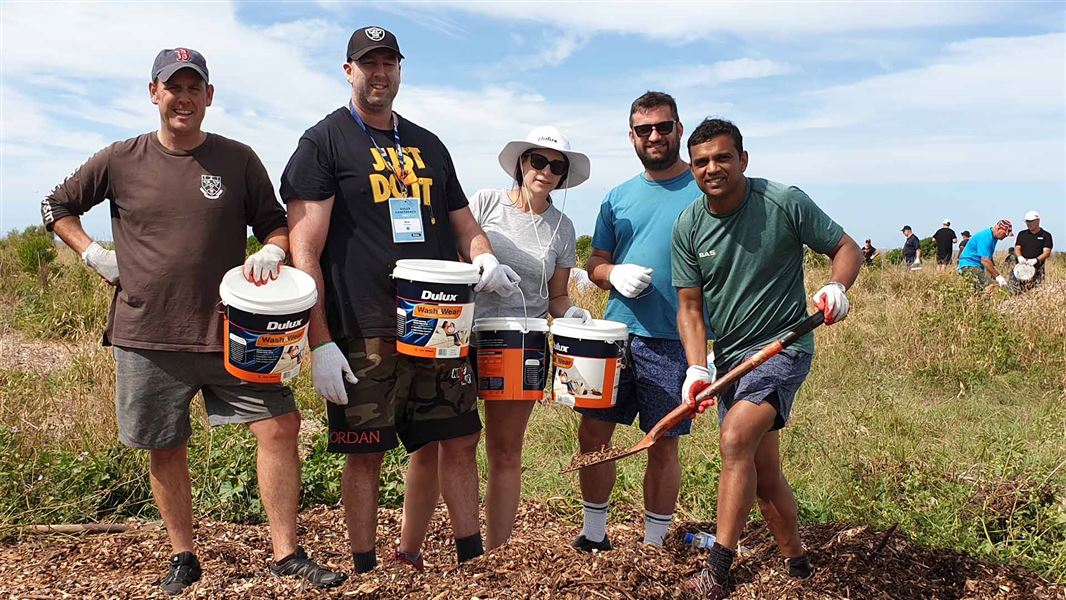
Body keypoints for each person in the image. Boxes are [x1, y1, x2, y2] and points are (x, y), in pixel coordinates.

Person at [40, 48, 345, 594]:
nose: (183, 98)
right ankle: (184, 554)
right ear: (153, 93)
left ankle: (286, 552)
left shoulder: (238, 159)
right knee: (165, 442)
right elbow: (55, 205)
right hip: (147, 331)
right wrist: (90, 252)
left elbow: (276, 224)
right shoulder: (120, 158)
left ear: (209, 96)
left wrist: (271, 252)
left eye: (193, 88)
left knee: (280, 426)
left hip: (235, 328)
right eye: (172, 88)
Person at [282, 26, 518, 575]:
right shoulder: (323, 143)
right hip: (366, 328)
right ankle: (366, 569)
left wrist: (482, 256)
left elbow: (465, 224)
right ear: (349, 72)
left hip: (441, 326)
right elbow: (304, 250)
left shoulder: (429, 144)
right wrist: (319, 342)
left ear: (399, 70)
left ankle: (470, 562)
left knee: (458, 440)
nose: (380, 73)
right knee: (366, 452)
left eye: (389, 63)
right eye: (368, 64)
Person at [672, 118, 861, 599]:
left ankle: (717, 569)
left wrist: (837, 286)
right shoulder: (689, 226)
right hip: (732, 361)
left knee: (735, 439)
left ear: (743, 159)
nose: (711, 168)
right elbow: (690, 308)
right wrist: (697, 366)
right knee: (764, 473)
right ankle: (797, 561)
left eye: (722, 157)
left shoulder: (783, 201)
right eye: (700, 162)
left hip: (784, 346)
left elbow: (844, 247)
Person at [577, 91, 707, 551]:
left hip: (676, 340)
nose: (654, 136)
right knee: (592, 434)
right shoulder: (618, 198)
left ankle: (653, 544)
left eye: (663, 127)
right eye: (644, 129)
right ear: (631, 136)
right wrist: (613, 274)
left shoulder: (705, 189)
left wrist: (708, 347)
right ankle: (594, 535)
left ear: (679, 129)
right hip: (614, 337)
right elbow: (595, 261)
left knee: (663, 442)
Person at [468, 126, 592, 549]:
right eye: (538, 160)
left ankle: (495, 550)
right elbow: (456, 252)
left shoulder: (562, 227)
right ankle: (462, 541)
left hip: (522, 343)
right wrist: (479, 272)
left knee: (505, 452)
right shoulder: (485, 203)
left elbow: (556, 296)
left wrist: (571, 312)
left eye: (556, 166)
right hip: (466, 336)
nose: (546, 171)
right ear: (522, 163)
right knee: (454, 443)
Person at [957, 220, 1013, 291]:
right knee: (989, 286)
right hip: (969, 265)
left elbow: (988, 257)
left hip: (976, 266)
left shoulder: (993, 237)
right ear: (998, 229)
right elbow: (985, 260)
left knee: (977, 291)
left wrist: (993, 272)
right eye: (1005, 234)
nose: (1005, 236)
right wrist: (999, 277)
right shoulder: (985, 238)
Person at [1015, 211, 1054, 288]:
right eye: (1027, 221)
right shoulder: (1022, 234)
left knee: (1037, 290)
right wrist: (1020, 257)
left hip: (1037, 268)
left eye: (1031, 221)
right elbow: (1017, 247)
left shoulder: (1046, 235)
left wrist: (1036, 260)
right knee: (1017, 291)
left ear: (1038, 221)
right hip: (1021, 268)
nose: (1028, 223)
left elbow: (1047, 252)